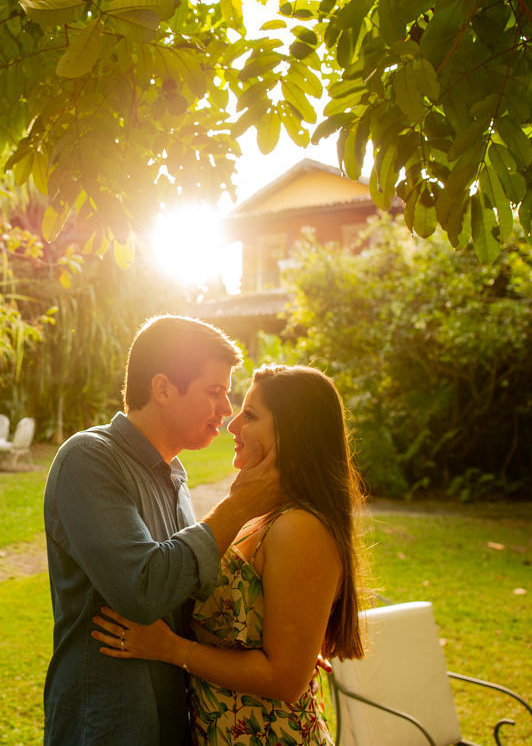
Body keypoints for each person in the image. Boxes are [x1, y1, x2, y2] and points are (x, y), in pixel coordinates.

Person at [91, 364, 368, 745]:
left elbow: (285, 680)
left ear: (294, 434)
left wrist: (171, 648)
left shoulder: (300, 527)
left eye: (250, 415)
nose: (232, 425)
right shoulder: (262, 514)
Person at [43, 316, 285, 746]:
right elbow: (144, 589)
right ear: (163, 388)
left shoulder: (174, 474)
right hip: (106, 721)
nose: (227, 409)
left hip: (171, 717)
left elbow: (187, 595)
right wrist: (241, 504)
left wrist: (278, 640)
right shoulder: (89, 459)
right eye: (215, 392)